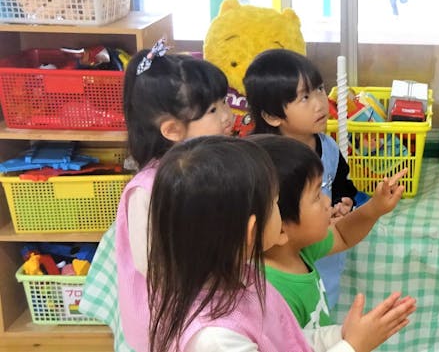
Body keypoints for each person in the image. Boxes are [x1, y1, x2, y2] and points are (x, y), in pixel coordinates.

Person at [145, 136, 415, 351]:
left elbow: (286, 339)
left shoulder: (238, 279)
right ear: (253, 231)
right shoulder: (215, 339)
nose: (325, 200)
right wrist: (352, 346)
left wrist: (342, 335)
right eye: (274, 202)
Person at [80, 39, 233, 352]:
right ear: (173, 130)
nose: (229, 116)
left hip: (206, 303)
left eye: (226, 102)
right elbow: (153, 264)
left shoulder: (207, 164)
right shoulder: (148, 189)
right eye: (214, 109)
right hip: (167, 317)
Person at [244, 48, 363, 311]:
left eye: (319, 89)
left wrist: (346, 204)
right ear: (272, 116)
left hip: (326, 256)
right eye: (304, 98)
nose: (320, 103)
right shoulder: (260, 162)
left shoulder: (327, 146)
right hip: (281, 273)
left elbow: (344, 185)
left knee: (320, 310)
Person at [250, 134, 409, 330]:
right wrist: (353, 342)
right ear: (280, 227)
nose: (328, 201)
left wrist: (375, 207)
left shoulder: (295, 250)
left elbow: (342, 235)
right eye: (317, 195)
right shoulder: (270, 296)